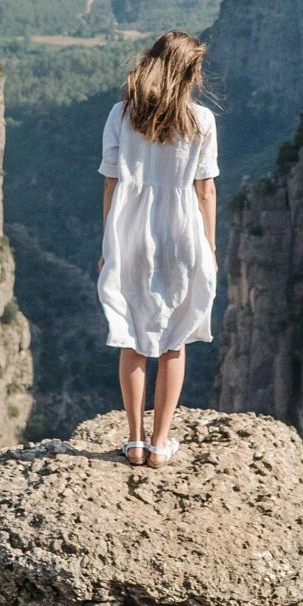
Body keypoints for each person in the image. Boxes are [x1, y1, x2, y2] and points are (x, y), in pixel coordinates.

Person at [97, 30, 219, 466]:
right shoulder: (201, 121)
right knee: (174, 340)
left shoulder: (121, 114)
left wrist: (108, 242)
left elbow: (112, 181)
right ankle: (160, 443)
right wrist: (211, 247)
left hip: (130, 231)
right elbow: (205, 191)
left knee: (132, 334)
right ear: (189, 73)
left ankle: (133, 439)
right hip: (182, 232)